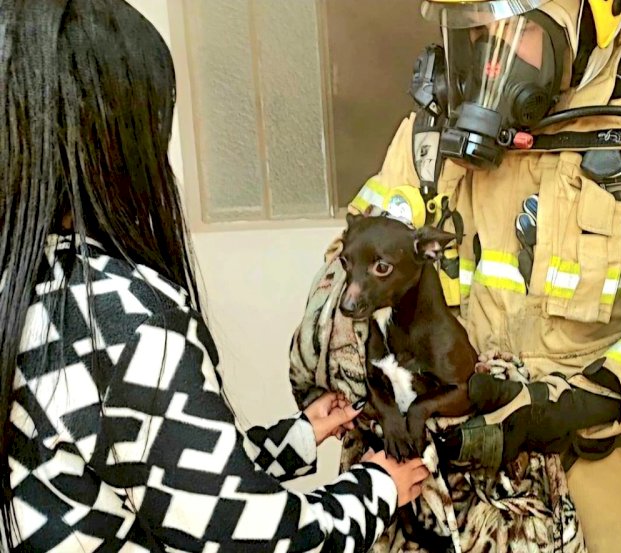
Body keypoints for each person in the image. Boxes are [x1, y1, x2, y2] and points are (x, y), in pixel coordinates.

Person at [0, 1, 429, 551]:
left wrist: (298, 436)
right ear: (119, 136)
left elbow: (154, 468)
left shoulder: (26, 281)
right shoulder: (126, 320)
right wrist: (375, 488)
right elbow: (253, 540)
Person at [338, 0, 621, 551]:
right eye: (473, 31)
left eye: (513, 32)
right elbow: (352, 265)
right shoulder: (431, 135)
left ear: (584, 20)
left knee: (612, 527)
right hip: (442, 426)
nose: (487, 61)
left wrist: (561, 407)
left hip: (582, 442)